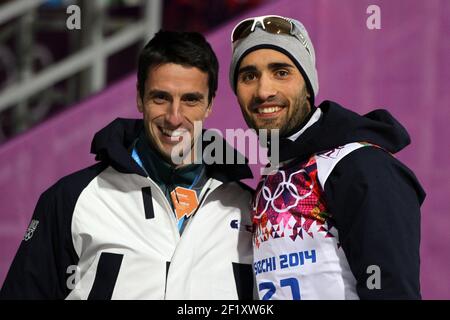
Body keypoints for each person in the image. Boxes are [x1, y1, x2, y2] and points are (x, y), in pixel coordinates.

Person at [1, 30, 255, 300]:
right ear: (139, 98)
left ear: (209, 105)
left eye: (190, 99)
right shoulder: (71, 199)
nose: (174, 117)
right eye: (161, 97)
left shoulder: (247, 208)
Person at [229, 15, 425, 299]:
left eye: (281, 72)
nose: (264, 91)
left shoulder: (359, 165)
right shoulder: (274, 173)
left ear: (308, 85)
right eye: (248, 76)